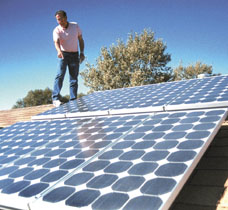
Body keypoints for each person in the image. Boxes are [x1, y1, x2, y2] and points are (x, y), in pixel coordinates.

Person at [52, 10, 85, 107]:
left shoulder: (75, 26)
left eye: (60, 19)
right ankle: (56, 99)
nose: (59, 22)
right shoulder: (57, 30)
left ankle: (73, 99)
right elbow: (56, 41)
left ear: (65, 18)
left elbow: (80, 39)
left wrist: (82, 52)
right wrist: (59, 51)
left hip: (75, 54)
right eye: (57, 20)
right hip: (63, 54)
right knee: (60, 75)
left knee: (73, 78)